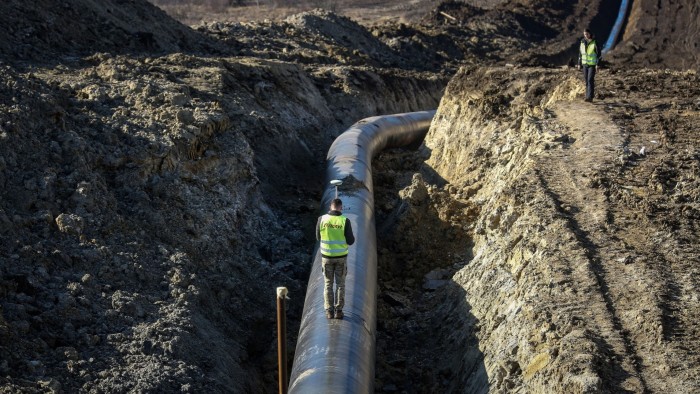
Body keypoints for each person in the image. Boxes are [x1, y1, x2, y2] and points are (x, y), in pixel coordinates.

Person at [316, 198, 355, 319]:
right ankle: (338, 311)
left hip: (326, 258)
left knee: (328, 284)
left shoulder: (321, 219)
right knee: (340, 284)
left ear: (330, 207)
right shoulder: (345, 221)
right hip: (340, 259)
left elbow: (318, 237)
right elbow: (351, 241)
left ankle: (329, 311)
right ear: (341, 207)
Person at [578, 29, 601, 102]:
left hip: (592, 65)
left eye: (587, 34)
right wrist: (579, 63)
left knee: (590, 80)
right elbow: (580, 54)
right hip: (585, 64)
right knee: (586, 80)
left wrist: (598, 64)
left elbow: (599, 55)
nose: (586, 35)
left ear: (590, 34)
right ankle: (587, 95)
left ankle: (590, 97)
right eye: (584, 34)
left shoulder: (595, 42)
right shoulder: (582, 42)